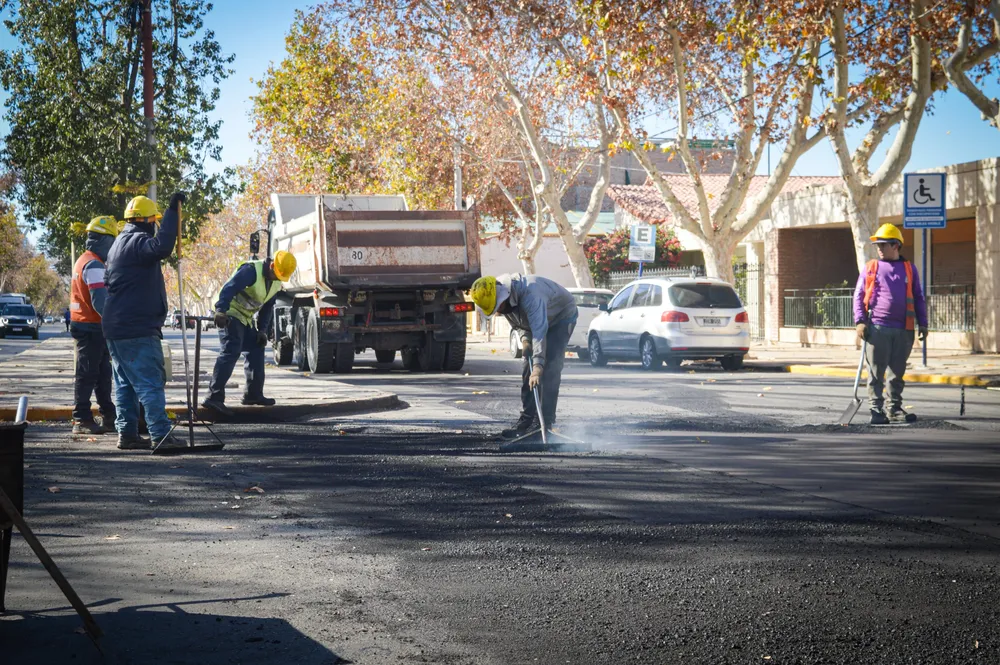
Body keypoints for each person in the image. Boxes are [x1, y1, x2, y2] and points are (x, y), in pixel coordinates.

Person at [102, 192, 185, 450]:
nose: (156, 225)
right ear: (145, 221)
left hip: (117, 328)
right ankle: (160, 434)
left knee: (126, 383)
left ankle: (127, 434)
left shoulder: (118, 244)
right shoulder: (137, 242)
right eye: (155, 221)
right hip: (136, 328)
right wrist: (173, 211)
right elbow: (162, 247)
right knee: (150, 382)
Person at [470, 274, 578, 440]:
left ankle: (545, 423)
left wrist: (538, 366)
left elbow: (540, 331)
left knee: (550, 368)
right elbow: (519, 323)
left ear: (503, 296)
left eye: (499, 307)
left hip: (561, 317)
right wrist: (525, 340)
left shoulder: (531, 295)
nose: (499, 311)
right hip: (537, 323)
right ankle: (527, 421)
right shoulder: (504, 299)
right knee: (528, 371)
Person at [200, 251, 297, 417]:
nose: (276, 277)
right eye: (276, 273)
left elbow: (267, 308)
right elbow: (229, 287)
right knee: (231, 350)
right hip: (230, 314)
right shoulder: (251, 270)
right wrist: (220, 310)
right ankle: (213, 396)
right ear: (272, 265)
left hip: (245, 319)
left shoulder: (275, 283)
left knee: (256, 348)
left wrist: (262, 330)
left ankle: (253, 395)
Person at [853, 223, 929, 425]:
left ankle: (894, 409)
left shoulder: (909, 269)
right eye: (878, 244)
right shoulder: (872, 267)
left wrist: (923, 323)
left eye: (884, 244)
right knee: (876, 373)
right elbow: (858, 295)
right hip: (877, 328)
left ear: (896, 245)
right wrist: (860, 321)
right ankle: (876, 409)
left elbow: (919, 297)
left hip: (904, 330)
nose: (879, 248)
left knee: (897, 373)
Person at [69, 216, 119, 435]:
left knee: (101, 373)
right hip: (90, 326)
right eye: (113, 241)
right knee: (88, 373)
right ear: (104, 240)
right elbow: (100, 300)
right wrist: (115, 322)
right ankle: (81, 419)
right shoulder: (95, 264)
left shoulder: (84, 259)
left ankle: (108, 414)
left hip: (88, 325)